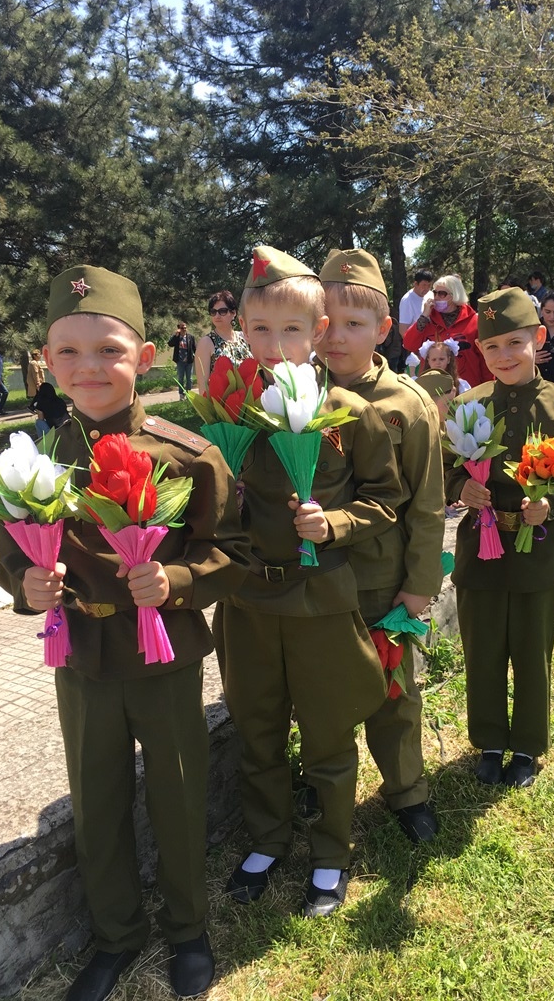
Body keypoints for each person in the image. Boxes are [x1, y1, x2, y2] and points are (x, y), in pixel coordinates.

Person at [0, 265, 251, 1001]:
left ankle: (188, 928)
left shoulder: (186, 453)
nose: (88, 368)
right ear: (47, 363)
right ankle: (114, 937)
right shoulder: (31, 464)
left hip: (162, 657)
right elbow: (11, 556)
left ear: (143, 357)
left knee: (176, 794)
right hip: (79, 657)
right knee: (96, 801)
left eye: (108, 349)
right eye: (67, 352)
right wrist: (27, 586)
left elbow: (231, 554)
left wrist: (175, 582)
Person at [214, 246, 400, 918]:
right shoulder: (229, 410)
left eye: (291, 329)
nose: (274, 344)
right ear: (242, 328)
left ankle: (329, 850)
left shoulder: (350, 411)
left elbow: (386, 499)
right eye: (259, 329)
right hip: (250, 602)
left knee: (326, 735)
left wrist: (337, 524)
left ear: (319, 331)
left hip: (320, 601)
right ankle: (267, 838)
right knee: (257, 728)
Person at [443, 287, 554, 790]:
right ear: (479, 351)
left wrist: (551, 505)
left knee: (533, 652)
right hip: (481, 552)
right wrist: (459, 486)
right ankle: (490, 741)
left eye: (514, 343)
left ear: (538, 337)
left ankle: (528, 746)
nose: (504, 356)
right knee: (483, 649)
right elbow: (442, 466)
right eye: (492, 348)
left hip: (538, 554)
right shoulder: (468, 406)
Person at [318, 248, 446, 844]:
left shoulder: (407, 404)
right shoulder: (292, 398)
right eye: (325, 323)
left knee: (394, 691)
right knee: (322, 691)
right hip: (316, 578)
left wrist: (420, 585)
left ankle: (406, 791)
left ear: (384, 329)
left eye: (355, 324)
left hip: (380, 578)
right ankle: (323, 784)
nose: (336, 337)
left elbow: (425, 502)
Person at [402, 274, 488, 386]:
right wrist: (424, 316)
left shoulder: (474, 320)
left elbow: (485, 359)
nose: (436, 297)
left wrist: (488, 387)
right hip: (433, 388)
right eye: (435, 293)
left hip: (467, 389)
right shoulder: (427, 319)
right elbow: (409, 344)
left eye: (442, 294)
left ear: (455, 295)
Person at [193, 290, 251, 395]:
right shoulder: (206, 342)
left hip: (249, 401)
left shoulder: (244, 337)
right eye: (213, 312)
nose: (217, 316)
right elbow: (203, 386)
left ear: (233, 313)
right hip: (222, 406)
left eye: (222, 311)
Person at [398, 269, 433, 333]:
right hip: (416, 339)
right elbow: (403, 330)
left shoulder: (431, 294)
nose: (426, 289)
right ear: (416, 284)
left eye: (429, 285)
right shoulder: (407, 301)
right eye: (424, 285)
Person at [167, 322, 196, 399]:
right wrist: (175, 336)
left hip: (189, 361)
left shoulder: (190, 337)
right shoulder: (177, 337)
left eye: (185, 327)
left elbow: (194, 348)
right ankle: (181, 394)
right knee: (181, 378)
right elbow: (170, 344)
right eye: (182, 328)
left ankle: (188, 394)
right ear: (179, 329)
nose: (184, 329)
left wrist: (196, 357)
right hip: (180, 361)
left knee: (189, 378)